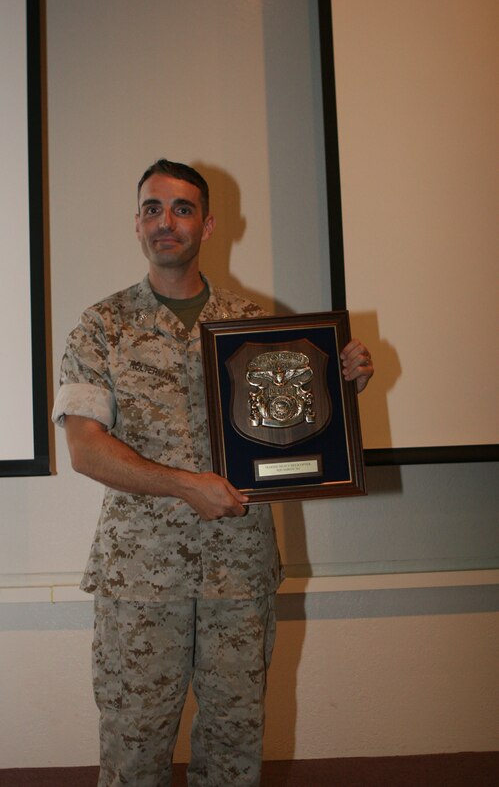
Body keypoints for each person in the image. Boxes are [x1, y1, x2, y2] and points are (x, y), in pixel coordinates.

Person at [52, 159, 373, 787]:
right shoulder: (101, 326)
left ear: (208, 223)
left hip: (238, 569)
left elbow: (293, 428)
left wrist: (342, 383)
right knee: (134, 746)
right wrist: (182, 484)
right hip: (141, 576)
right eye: (151, 208)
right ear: (136, 224)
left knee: (232, 744)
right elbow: (85, 449)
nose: (165, 222)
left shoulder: (255, 327)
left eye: (181, 208)